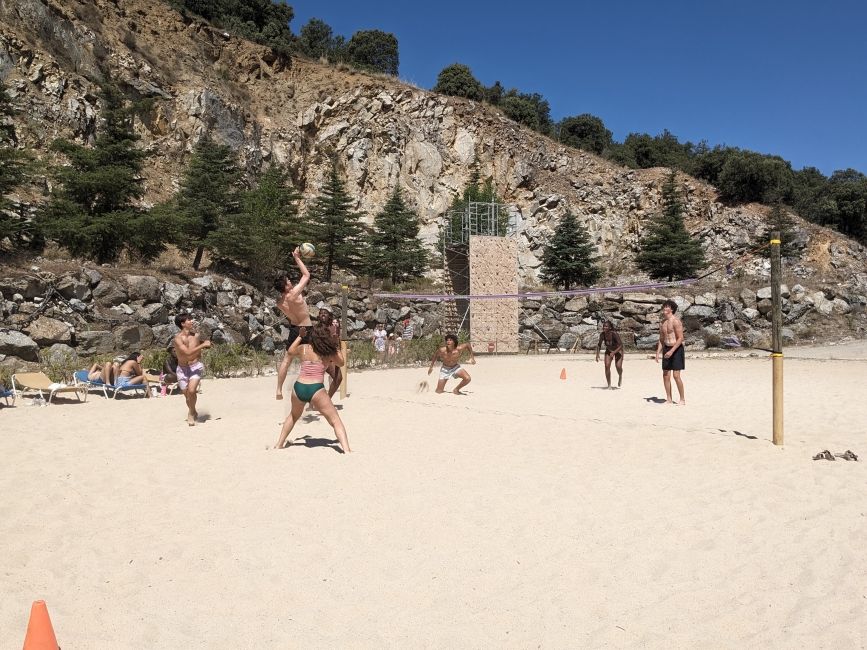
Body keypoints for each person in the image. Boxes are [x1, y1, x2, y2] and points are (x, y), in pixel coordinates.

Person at [273, 322, 351, 453]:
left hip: (299, 387)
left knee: (292, 416)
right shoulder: (328, 352)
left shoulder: (304, 348)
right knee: (335, 421)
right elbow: (341, 362)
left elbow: (290, 351)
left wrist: (299, 336)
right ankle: (347, 450)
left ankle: (279, 444)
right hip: (316, 389)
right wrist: (335, 342)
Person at [274, 247, 313, 400]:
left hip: (294, 329)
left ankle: (278, 389)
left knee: (287, 359)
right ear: (286, 286)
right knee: (310, 360)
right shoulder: (293, 294)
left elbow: (289, 312)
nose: (290, 281)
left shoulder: (279, 302)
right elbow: (306, 275)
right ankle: (310, 395)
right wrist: (297, 257)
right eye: (288, 281)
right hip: (307, 328)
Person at [174, 313, 212, 425]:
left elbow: (198, 345)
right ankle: (194, 411)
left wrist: (207, 344)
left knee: (192, 391)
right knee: (187, 396)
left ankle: (190, 414)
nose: (192, 321)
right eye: (189, 320)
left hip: (195, 366)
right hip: (182, 369)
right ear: (182, 324)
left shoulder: (196, 335)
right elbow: (187, 353)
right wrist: (203, 345)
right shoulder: (177, 339)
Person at [656, 299, 686, 405]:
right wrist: (657, 353)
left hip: (676, 349)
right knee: (665, 375)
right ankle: (669, 399)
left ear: (671, 309)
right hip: (667, 349)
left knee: (676, 375)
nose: (664, 308)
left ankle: (682, 399)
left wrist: (672, 351)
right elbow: (661, 339)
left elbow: (680, 338)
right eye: (664, 306)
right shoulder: (662, 323)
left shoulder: (676, 321)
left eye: (667, 306)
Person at [317, 307, 342, 399]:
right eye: (321, 313)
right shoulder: (316, 328)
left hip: (332, 357)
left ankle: (327, 399)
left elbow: (337, 343)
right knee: (317, 381)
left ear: (330, 316)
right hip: (320, 357)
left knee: (338, 378)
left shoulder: (333, 328)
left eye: (325, 313)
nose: (323, 314)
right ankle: (312, 403)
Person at [595, 320, 624, 389]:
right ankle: (609, 385)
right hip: (609, 351)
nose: (604, 327)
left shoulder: (614, 334)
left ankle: (620, 375)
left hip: (618, 350)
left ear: (610, 327)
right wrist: (597, 354)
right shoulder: (602, 335)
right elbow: (599, 345)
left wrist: (614, 352)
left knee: (618, 366)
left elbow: (621, 345)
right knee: (607, 366)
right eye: (604, 326)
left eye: (606, 326)